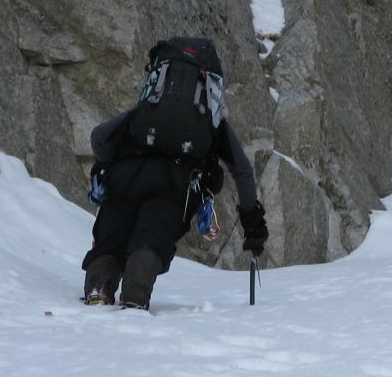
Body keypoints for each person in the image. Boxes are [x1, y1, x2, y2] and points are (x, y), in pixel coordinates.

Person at [81, 37, 269, 310]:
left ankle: (98, 288)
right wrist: (253, 222)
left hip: (126, 175)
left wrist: (104, 166)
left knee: (112, 235)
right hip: (176, 186)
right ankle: (134, 298)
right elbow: (242, 170)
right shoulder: (212, 124)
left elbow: (99, 137)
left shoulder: (146, 111)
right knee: (150, 239)